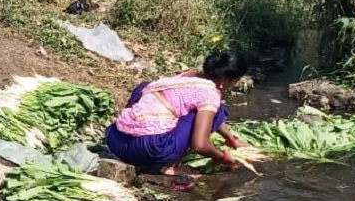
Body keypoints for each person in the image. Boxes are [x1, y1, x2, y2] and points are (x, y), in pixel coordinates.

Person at [105, 51, 249, 176]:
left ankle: (137, 146)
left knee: (144, 87)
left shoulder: (189, 76)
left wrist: (231, 138)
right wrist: (223, 157)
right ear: (225, 79)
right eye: (236, 81)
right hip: (147, 150)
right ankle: (168, 166)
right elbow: (199, 145)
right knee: (218, 111)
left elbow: (206, 118)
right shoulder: (210, 95)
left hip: (115, 141)